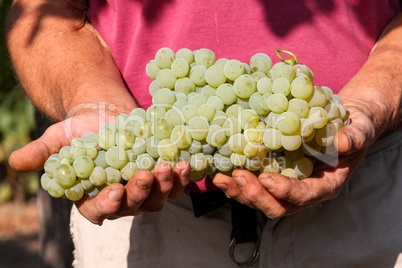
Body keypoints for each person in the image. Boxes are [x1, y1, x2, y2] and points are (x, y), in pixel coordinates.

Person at [6, 0, 402, 267]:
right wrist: (91, 101)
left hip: (365, 191)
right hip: (153, 209)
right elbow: (47, 9)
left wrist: (373, 102)